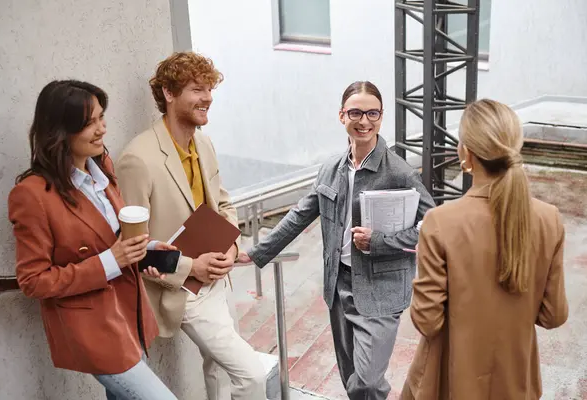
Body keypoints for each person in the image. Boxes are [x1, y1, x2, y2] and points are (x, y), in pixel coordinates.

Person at [238, 81, 435, 400]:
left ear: (381, 117)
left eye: (373, 113)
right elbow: (301, 213)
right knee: (350, 377)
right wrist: (256, 254)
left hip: (381, 290)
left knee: (369, 380)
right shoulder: (331, 168)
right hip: (339, 285)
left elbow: (432, 225)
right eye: (356, 112)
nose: (364, 121)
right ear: (342, 115)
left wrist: (381, 241)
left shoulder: (399, 172)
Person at [8, 80, 178, 399]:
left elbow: (113, 236)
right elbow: (33, 281)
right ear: (60, 131)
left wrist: (146, 250)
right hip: (94, 332)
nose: (102, 129)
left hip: (129, 315)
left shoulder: (102, 166)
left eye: (101, 117)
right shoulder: (31, 196)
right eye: (89, 123)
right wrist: (112, 261)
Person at [116, 52, 267, 400]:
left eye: (209, 89)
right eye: (197, 89)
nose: (208, 98)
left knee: (217, 371)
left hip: (218, 279)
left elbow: (223, 204)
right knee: (252, 375)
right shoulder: (137, 159)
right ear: (169, 94)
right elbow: (132, 247)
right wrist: (191, 267)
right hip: (182, 289)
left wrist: (231, 247)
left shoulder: (203, 143)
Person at [400, 99, 569, 399]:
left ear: (466, 154)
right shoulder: (549, 219)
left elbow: (427, 320)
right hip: (516, 383)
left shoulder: (440, 222)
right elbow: (553, 315)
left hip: (450, 383)